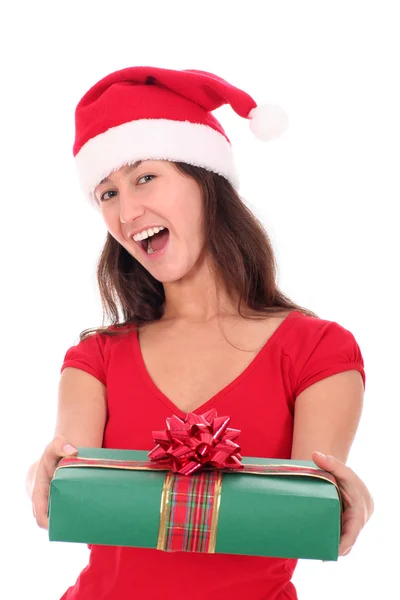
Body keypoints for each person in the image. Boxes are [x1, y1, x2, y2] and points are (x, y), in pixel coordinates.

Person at [26, 66, 374, 600]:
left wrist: (344, 505)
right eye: (107, 193)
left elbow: (303, 515)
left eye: (145, 177)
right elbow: (78, 496)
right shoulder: (94, 358)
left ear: (206, 179)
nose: (126, 211)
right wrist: (46, 479)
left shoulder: (319, 351)